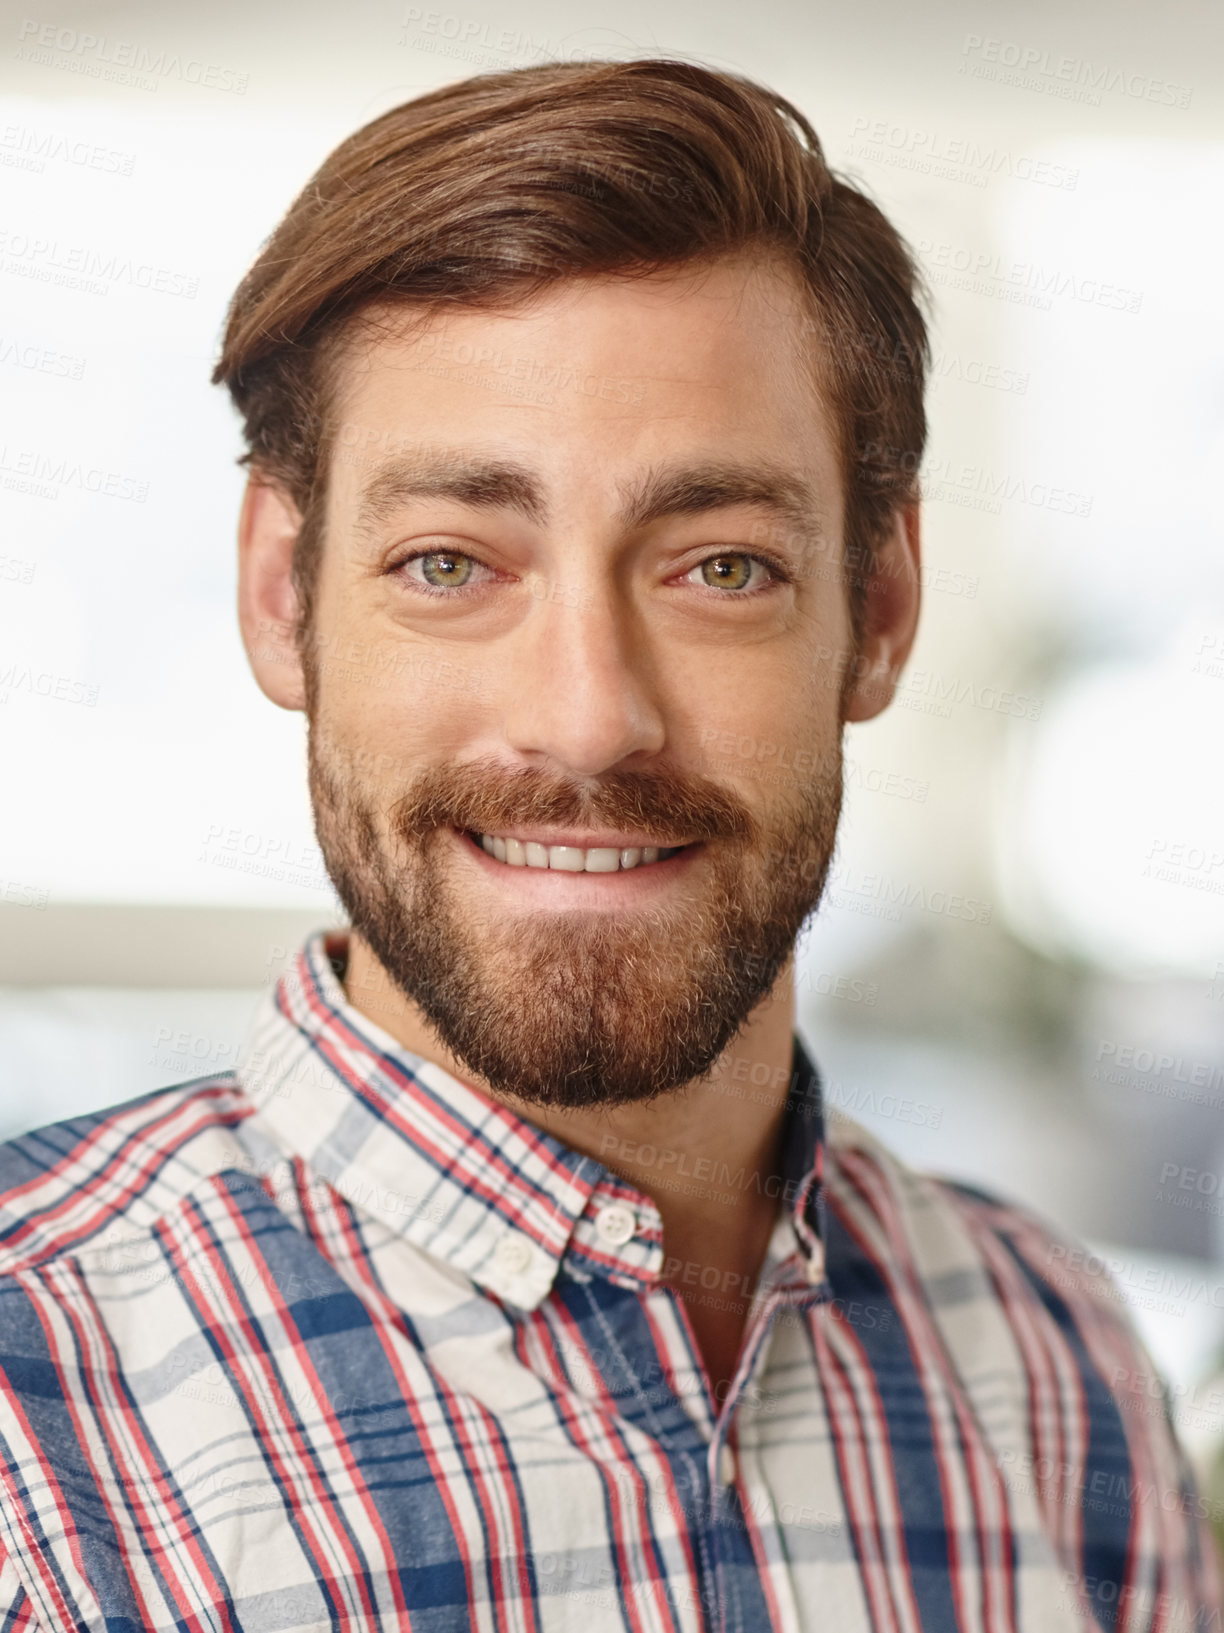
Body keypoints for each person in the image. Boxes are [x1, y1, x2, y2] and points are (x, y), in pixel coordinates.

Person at [0, 57, 1215, 1632]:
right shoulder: (32, 1412)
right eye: (449, 560)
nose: (587, 721)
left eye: (720, 564)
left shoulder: (1066, 1366)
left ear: (882, 606)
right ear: (281, 595)